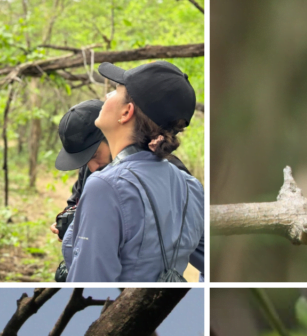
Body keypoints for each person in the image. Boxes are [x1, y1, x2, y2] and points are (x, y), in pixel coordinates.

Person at [60, 61, 205, 282]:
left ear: (127, 112)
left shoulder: (106, 186)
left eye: (115, 92)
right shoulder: (191, 186)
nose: (107, 98)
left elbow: (88, 284)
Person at [51, 99, 112, 243]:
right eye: (85, 160)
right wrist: (68, 221)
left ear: (111, 136)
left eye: (95, 155)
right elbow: (76, 202)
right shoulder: (88, 169)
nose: (93, 167)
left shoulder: (145, 168)